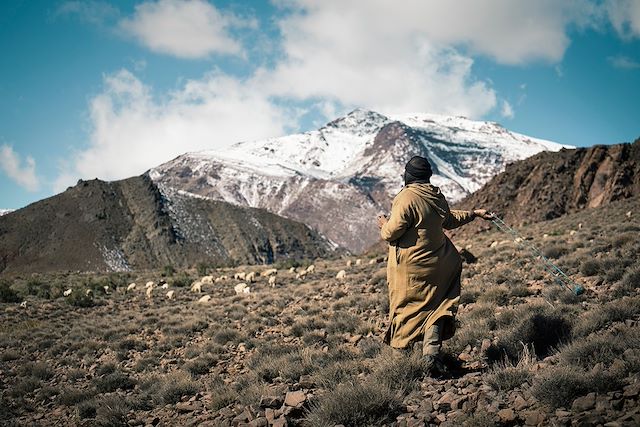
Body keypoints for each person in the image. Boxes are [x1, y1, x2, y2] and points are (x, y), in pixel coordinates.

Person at [377, 155, 494, 370]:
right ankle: (431, 354)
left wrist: (384, 223)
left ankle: (400, 363)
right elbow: (449, 219)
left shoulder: (406, 197)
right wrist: (474, 214)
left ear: (408, 175)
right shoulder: (435, 195)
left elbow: (392, 233)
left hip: (413, 267)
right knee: (438, 306)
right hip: (440, 263)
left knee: (406, 308)